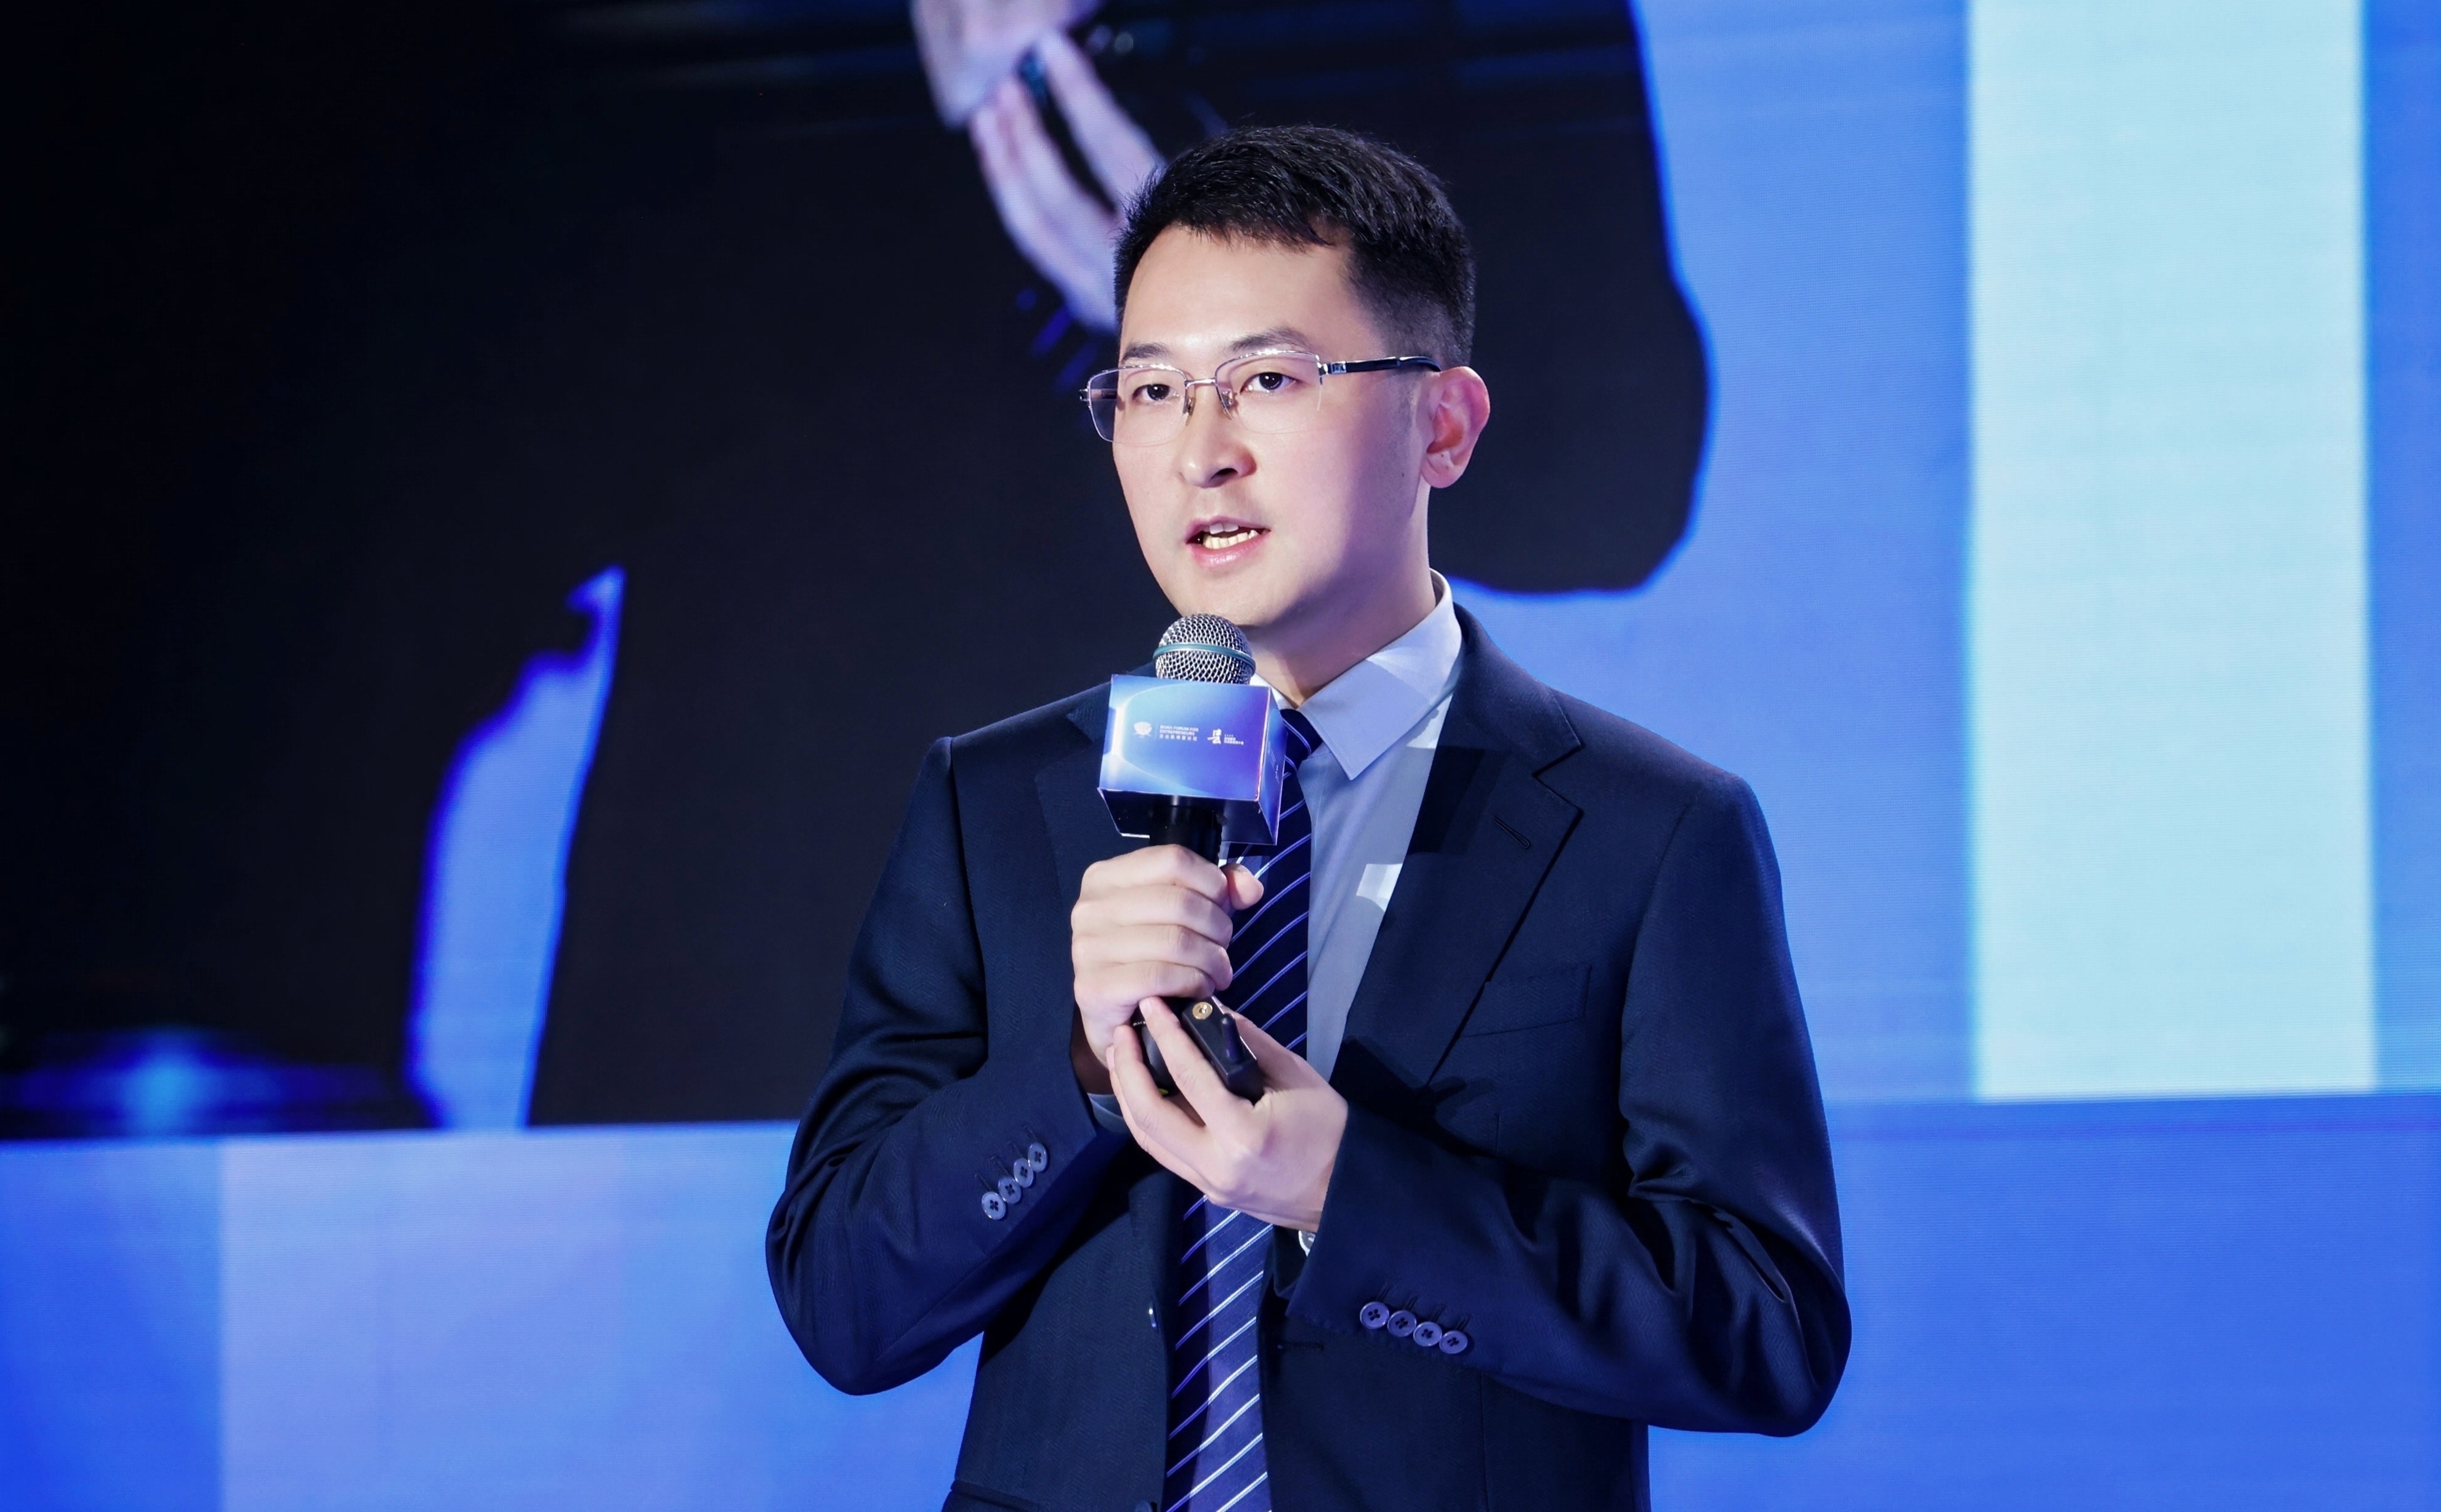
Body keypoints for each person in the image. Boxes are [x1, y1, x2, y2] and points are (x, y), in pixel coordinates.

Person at [767, 127, 1845, 1511]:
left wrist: (1353, 1194)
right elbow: (843, 1307)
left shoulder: (1652, 831)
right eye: (1151, 390)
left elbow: (1766, 1332)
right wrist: (1081, 1069)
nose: (1200, 453)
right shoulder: (995, 802)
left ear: (1442, 426)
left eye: (1267, 381)